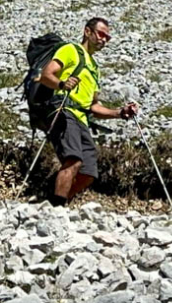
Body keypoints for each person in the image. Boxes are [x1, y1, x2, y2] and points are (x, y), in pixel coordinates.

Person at [36, 17, 139, 206]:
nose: (104, 40)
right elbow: (45, 75)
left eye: (107, 37)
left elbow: (93, 106)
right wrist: (62, 84)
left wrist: (119, 113)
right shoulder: (70, 50)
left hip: (82, 118)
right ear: (87, 32)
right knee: (73, 159)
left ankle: (57, 202)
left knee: (88, 173)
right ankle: (56, 210)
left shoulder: (94, 68)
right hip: (64, 109)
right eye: (101, 34)